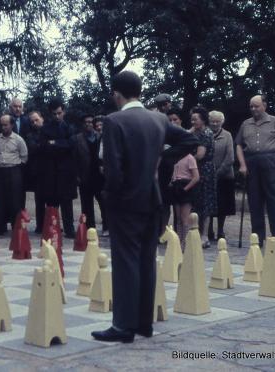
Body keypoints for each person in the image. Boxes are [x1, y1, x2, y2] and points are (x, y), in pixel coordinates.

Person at [91, 71, 198, 343]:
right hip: (154, 200)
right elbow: (190, 141)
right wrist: (160, 156)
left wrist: (110, 199)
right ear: (139, 90)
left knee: (126, 262)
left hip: (126, 201)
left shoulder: (114, 121)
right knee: (146, 261)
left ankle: (124, 327)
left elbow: (113, 170)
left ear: (117, 94)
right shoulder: (159, 119)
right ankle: (143, 324)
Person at [236, 95, 275, 247]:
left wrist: (274, 154)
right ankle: (258, 239)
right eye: (251, 106)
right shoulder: (245, 124)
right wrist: (242, 164)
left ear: (264, 105)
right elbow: (239, 145)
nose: (253, 109)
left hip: (271, 161)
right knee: (255, 200)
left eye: (256, 106)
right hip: (251, 161)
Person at [40, 99, 78, 238]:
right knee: (51, 202)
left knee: (67, 202)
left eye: (59, 113)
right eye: (54, 114)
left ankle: (69, 229)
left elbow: (72, 144)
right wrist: (62, 145)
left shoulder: (70, 128)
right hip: (51, 171)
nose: (57, 116)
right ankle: (52, 227)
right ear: (50, 114)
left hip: (66, 171)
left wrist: (55, 143)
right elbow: (44, 147)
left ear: (64, 112)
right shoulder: (45, 129)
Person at [0, 114, 28, 236]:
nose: (3, 127)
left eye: (6, 125)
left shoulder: (18, 140)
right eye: (1, 125)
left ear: (12, 125)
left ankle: (16, 226)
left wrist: (16, 166)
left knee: (15, 200)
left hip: (14, 171)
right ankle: (0, 227)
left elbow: (24, 156)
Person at [189, 106, 217, 248]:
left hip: (204, 170)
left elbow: (200, 154)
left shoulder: (206, 133)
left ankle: (204, 235)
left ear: (203, 120)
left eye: (195, 119)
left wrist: (185, 160)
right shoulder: (195, 132)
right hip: (195, 169)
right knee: (195, 202)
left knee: (205, 203)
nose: (193, 122)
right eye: (192, 119)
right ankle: (194, 233)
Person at [74, 114, 107, 231]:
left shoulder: (100, 136)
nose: (88, 124)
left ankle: (106, 226)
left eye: (90, 122)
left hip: (99, 176)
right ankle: (89, 227)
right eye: (86, 122)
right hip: (84, 176)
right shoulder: (78, 138)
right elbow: (75, 158)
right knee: (86, 204)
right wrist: (77, 175)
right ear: (83, 124)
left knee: (103, 202)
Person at [208, 110, 235, 241]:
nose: (214, 123)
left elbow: (230, 157)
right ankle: (209, 229)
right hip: (208, 175)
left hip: (224, 176)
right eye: (212, 121)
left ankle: (220, 230)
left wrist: (218, 173)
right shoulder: (205, 134)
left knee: (222, 206)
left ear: (222, 122)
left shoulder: (227, 135)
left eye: (217, 121)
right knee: (209, 204)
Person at [169, 152, 200, 249]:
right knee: (177, 218)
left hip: (185, 186)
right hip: (176, 186)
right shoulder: (176, 157)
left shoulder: (190, 158)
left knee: (184, 218)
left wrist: (185, 189)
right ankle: (177, 241)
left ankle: (185, 242)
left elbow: (196, 177)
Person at [26, 111, 46, 233]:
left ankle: (51, 223)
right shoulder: (29, 135)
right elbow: (33, 148)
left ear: (42, 119)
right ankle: (40, 226)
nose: (34, 123)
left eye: (36, 120)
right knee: (39, 200)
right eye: (32, 121)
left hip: (50, 170)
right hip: (38, 171)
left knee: (52, 201)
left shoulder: (49, 131)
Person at [94, 115, 109, 236]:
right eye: (97, 126)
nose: (99, 128)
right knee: (102, 200)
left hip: (111, 172)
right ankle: (106, 226)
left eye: (101, 125)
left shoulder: (111, 137)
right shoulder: (99, 139)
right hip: (101, 173)